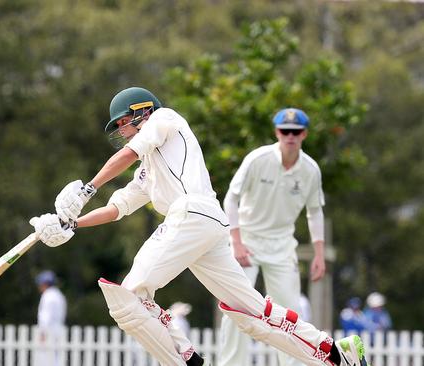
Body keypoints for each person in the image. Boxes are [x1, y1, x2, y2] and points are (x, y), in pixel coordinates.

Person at [28, 87, 368, 366]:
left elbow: (129, 153)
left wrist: (87, 189)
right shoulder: (150, 167)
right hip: (207, 226)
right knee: (252, 314)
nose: (120, 131)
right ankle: (336, 353)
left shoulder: (164, 119)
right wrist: (71, 222)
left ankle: (187, 359)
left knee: (129, 298)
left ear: (140, 112)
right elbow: (119, 207)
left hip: (192, 214)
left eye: (122, 123)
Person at [218, 107, 328, 366]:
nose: (290, 136)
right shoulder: (258, 159)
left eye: (296, 131)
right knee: (237, 308)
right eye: (285, 131)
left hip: (281, 245)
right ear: (277, 132)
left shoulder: (311, 170)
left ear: (304, 134)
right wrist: (236, 241)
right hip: (246, 240)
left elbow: (315, 212)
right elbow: (230, 199)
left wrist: (319, 255)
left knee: (290, 313)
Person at [34, 270, 67, 366]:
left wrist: (42, 333)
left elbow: (45, 317)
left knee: (46, 360)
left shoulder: (47, 296)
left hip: (49, 332)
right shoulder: (59, 295)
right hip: (59, 331)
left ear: (44, 284)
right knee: (57, 359)